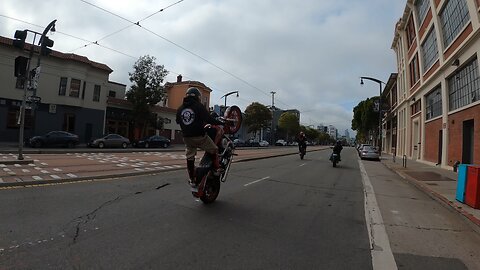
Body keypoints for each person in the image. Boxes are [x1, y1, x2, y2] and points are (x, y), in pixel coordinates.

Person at [176, 87, 224, 189]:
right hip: (199, 137)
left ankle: (192, 180)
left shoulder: (180, 108)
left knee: (190, 157)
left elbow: (177, 121)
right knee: (214, 149)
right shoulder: (199, 106)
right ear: (197, 97)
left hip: (187, 138)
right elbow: (209, 119)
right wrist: (221, 122)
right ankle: (216, 169)